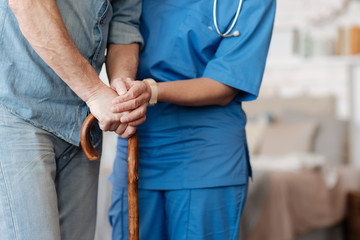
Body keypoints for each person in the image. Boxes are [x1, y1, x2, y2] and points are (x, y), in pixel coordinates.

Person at [108, 0, 276, 239]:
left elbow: (225, 85)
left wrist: (151, 91)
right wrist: (122, 86)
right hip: (139, 142)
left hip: (205, 154)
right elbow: (121, 30)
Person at [0, 0, 144, 239]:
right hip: (18, 113)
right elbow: (28, 4)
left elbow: (123, 23)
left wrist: (122, 87)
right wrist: (94, 92)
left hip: (82, 129)